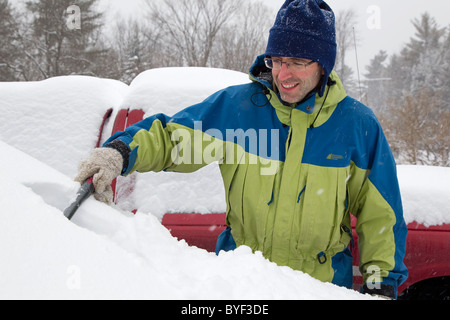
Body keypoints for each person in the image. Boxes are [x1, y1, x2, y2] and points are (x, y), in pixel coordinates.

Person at [75, 0, 408, 299]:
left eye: (296, 62)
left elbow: (380, 215)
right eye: (276, 60)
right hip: (243, 286)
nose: (283, 74)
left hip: (320, 289)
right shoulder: (239, 110)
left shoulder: (355, 125)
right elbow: (172, 139)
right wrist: (120, 151)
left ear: (323, 64)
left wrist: (380, 285)